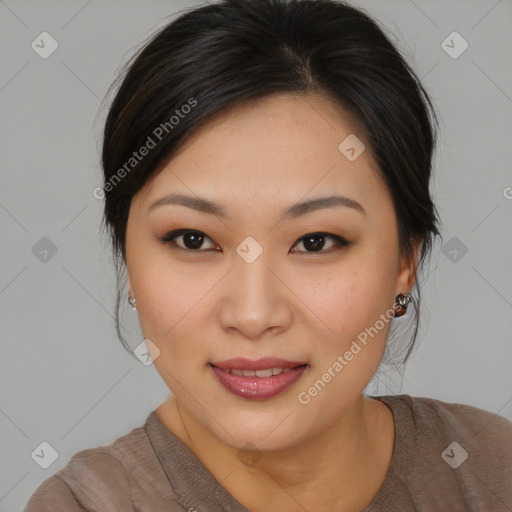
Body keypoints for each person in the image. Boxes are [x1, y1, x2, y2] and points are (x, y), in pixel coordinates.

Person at [24, 0, 512, 510]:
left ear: (405, 261)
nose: (253, 315)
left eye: (316, 241)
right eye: (193, 239)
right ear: (128, 259)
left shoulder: (491, 469)